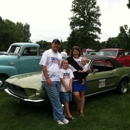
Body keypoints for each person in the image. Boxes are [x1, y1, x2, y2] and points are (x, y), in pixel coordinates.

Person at [39, 39, 69, 125]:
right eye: (55, 44)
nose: (56, 45)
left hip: (57, 79)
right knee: (56, 99)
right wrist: (48, 78)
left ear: (59, 46)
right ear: (52, 44)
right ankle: (62, 117)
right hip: (48, 80)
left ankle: (57, 118)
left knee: (55, 100)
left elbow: (59, 67)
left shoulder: (59, 55)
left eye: (58, 44)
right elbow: (43, 65)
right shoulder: (47, 53)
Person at [67, 46, 91, 116]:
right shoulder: (69, 59)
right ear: (72, 52)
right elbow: (65, 66)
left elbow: (87, 68)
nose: (75, 53)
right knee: (76, 95)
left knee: (82, 95)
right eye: (74, 51)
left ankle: (81, 110)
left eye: (76, 51)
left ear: (79, 52)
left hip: (82, 78)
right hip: (74, 79)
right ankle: (79, 107)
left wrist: (89, 70)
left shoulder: (82, 59)